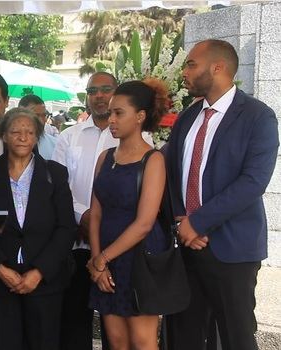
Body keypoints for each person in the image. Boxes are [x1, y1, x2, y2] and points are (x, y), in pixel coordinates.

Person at [164, 39, 279, 350]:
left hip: (233, 251)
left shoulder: (258, 117)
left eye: (191, 64)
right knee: (182, 336)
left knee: (235, 337)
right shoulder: (188, 117)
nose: (184, 73)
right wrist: (181, 221)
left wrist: (198, 222)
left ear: (218, 68)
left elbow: (253, 182)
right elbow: (172, 174)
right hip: (187, 247)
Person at [0, 107, 75, 350]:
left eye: (30, 132)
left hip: (45, 282)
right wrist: (0, 269)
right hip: (1, 281)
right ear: (4, 135)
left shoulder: (55, 173)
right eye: (16, 131)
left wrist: (39, 272)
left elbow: (66, 227)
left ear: (37, 137)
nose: (23, 137)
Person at [86, 79, 168, 350]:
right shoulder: (105, 157)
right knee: (117, 341)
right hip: (105, 258)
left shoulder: (153, 160)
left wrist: (101, 259)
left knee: (142, 342)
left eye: (119, 113)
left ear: (140, 117)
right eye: (110, 112)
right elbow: (95, 213)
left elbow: (145, 223)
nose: (111, 119)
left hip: (139, 258)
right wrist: (98, 261)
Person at [52, 72, 119, 350]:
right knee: (74, 319)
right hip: (76, 241)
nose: (99, 96)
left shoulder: (137, 137)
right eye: (93, 91)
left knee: (114, 322)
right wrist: (84, 216)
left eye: (105, 90)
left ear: (116, 92)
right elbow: (58, 186)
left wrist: (102, 221)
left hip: (117, 243)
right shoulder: (69, 136)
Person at [18, 94, 57, 159]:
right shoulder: (8, 143)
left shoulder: (55, 145)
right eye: (36, 116)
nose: (41, 121)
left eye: (44, 115)